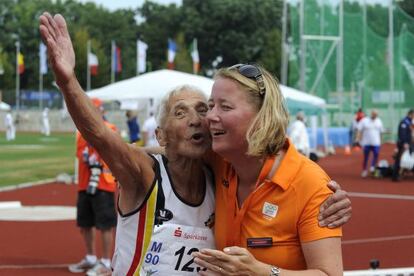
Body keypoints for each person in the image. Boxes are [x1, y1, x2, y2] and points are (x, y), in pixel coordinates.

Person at [40, 14, 350, 275]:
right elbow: (105, 140)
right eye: (182, 112)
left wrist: (262, 271)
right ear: (161, 135)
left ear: (260, 117)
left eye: (213, 108)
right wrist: (67, 81)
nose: (203, 118)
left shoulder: (243, 169)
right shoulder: (173, 170)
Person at [193, 64, 343, 275]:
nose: (210, 116)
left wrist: (261, 272)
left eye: (225, 107)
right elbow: (166, 153)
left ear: (263, 116)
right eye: (211, 105)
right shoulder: (220, 160)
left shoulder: (310, 183)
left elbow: (329, 274)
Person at [68, 98, 117, 276]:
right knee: (85, 223)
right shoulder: (81, 132)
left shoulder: (109, 128)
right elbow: (80, 155)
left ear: (100, 111)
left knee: (105, 225)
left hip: (103, 183)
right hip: (84, 183)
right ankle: (90, 258)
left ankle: (105, 261)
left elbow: (111, 150)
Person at [355, 109, 384, 178]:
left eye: (376, 114)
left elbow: (381, 132)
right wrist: (357, 139)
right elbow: (359, 130)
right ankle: (364, 170)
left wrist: (381, 141)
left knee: (376, 154)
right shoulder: (364, 120)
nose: (374, 115)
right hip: (366, 142)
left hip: (376, 142)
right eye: (373, 114)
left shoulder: (379, 121)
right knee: (366, 157)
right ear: (371, 113)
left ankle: (372, 167)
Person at [392, 109, 414, 182]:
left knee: (402, 160)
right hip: (403, 144)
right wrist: (405, 143)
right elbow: (402, 133)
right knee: (399, 160)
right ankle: (395, 176)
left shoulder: (409, 122)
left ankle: (397, 174)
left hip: (407, 143)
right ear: (410, 114)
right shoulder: (404, 122)